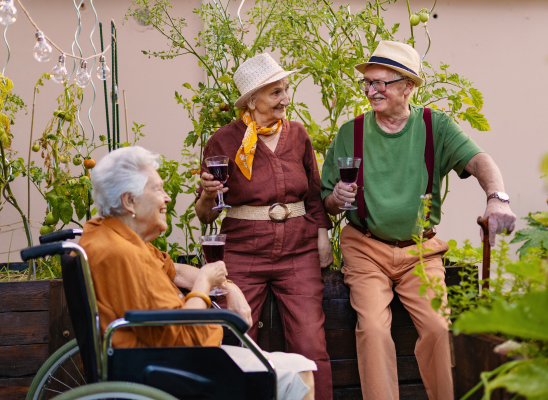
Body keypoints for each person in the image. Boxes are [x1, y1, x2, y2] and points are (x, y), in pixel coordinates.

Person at [321, 41, 516, 400]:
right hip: (365, 248)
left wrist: (497, 198)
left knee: (439, 327)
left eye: (381, 83)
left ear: (408, 86)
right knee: (374, 330)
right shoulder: (352, 132)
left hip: (420, 251)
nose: (371, 90)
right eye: (368, 83)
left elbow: (479, 161)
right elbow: (327, 201)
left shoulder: (434, 126)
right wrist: (336, 199)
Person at [79, 146, 318, 400]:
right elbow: (181, 338)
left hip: (145, 357)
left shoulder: (106, 235)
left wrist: (228, 286)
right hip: (168, 367)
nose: (167, 198)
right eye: (158, 189)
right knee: (300, 372)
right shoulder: (124, 254)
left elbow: (173, 271)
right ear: (129, 201)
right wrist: (204, 283)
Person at [195, 53, 333, 400]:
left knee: (310, 344)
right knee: (236, 341)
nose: (285, 98)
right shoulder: (223, 141)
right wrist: (209, 196)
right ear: (252, 100)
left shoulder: (298, 135)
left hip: (298, 250)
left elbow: (314, 193)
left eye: (286, 90)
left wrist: (322, 235)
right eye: (275, 93)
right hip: (242, 252)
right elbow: (206, 214)